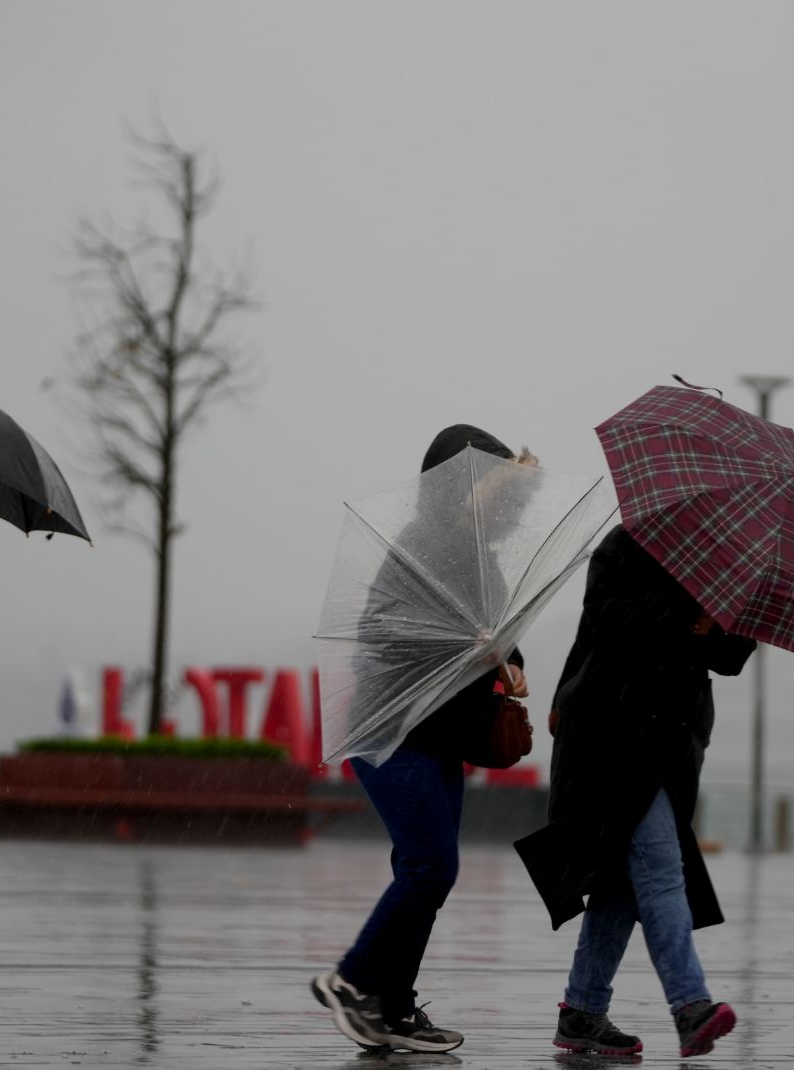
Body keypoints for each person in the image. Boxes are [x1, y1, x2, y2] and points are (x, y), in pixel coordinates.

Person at [313, 424, 536, 1054]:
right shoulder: (420, 545)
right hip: (394, 732)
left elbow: (497, 630)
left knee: (424, 873)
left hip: (443, 737)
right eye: (495, 493)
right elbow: (382, 629)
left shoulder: (482, 558)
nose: (505, 510)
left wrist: (510, 660)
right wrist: (471, 642)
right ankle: (351, 981)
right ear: (457, 489)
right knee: (430, 866)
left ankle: (392, 1009)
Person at [515, 523, 754, 1058]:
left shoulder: (724, 562)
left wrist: (717, 626)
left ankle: (582, 1011)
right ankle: (691, 1005)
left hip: (672, 744)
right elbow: (612, 621)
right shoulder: (625, 545)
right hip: (612, 735)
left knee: (620, 885)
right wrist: (688, 623)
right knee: (661, 868)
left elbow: (733, 655)